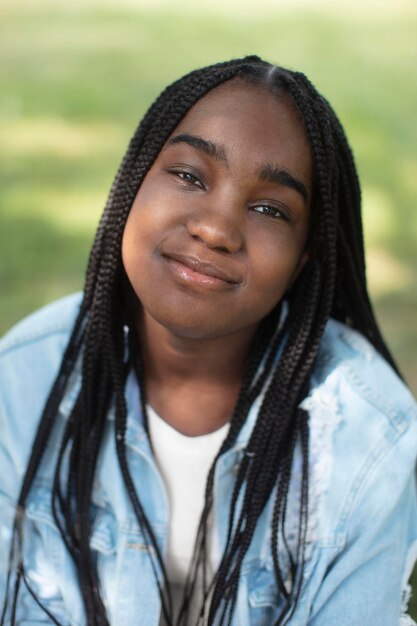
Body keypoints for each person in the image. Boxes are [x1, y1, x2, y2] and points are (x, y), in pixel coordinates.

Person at [0, 56, 416, 626]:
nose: (216, 229)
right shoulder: (21, 382)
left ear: (304, 257)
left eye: (270, 208)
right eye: (190, 176)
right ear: (134, 179)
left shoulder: (369, 435)